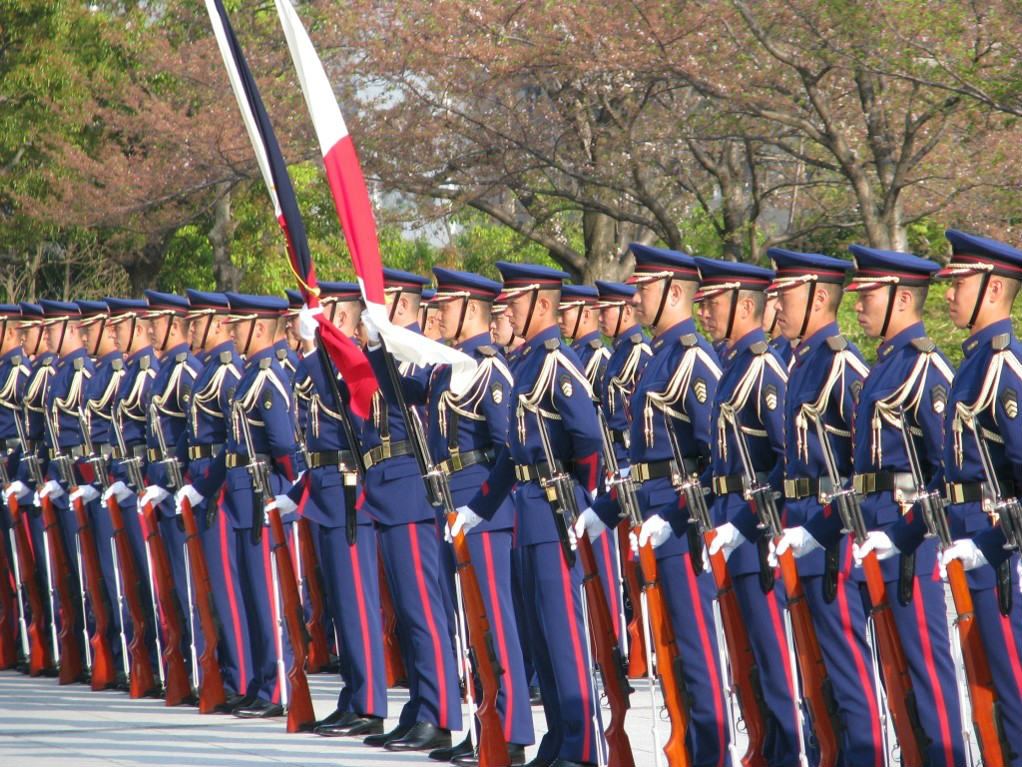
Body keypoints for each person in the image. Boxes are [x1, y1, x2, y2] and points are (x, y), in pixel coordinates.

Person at [815, 245, 966, 767]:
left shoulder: (925, 367)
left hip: (911, 536)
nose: (857, 305)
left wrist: (915, 530)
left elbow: (948, 468)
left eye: (869, 296)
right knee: (896, 672)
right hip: (874, 530)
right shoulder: (885, 365)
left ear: (902, 299)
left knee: (926, 668)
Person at [579, 244, 729, 766]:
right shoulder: (663, 355)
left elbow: (718, 461)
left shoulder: (693, 359)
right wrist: (608, 508)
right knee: (673, 660)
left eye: (645, 286)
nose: (635, 295)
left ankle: (712, 756)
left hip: (683, 532)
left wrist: (678, 518)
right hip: (653, 522)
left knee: (697, 657)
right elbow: (644, 463)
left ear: (673, 292)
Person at [451, 261, 603, 767]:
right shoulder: (525, 363)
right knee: (540, 635)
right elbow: (511, 454)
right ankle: (559, 739)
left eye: (515, 300)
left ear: (541, 303)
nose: (506, 308)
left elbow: (588, 436)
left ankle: (580, 747)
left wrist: (579, 493)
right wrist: (478, 509)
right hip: (528, 516)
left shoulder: (557, 362)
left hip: (554, 513)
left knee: (563, 636)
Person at [886, 230, 1022, 766]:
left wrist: (992, 543)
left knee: (1012, 700)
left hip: (999, 555)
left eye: (960, 282)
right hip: (971, 551)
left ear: (993, 290)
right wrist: (900, 534)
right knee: (986, 700)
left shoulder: (1004, 365)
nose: (948, 293)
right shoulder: (971, 364)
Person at [764, 249, 885, 765]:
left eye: (786, 294)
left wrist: (828, 528)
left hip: (831, 538)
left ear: (817, 296)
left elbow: (864, 463)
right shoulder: (800, 361)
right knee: (814, 670)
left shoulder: (842, 364)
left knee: (847, 668)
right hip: (799, 531)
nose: (777, 304)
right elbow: (791, 459)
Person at [177, 293, 303, 719]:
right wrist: (204, 488)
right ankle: (259, 684)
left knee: (266, 597)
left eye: (240, 324)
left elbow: (286, 446)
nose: (232, 332)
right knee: (251, 594)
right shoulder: (249, 376)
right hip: (240, 495)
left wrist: (288, 493)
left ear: (260, 328)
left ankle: (275, 689)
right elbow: (233, 447)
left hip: (261, 495)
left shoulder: (265, 378)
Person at [696, 258, 801, 767]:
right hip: (730, 520)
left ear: (744, 304)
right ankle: (772, 748)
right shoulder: (733, 363)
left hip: (757, 531)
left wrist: (748, 525)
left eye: (713, 303)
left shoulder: (763, 368)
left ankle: (790, 752)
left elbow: (789, 460)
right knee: (751, 660)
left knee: (776, 660)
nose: (705, 313)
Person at [358, 269, 463, 753]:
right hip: (388, 490)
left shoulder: (423, 355)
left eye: (382, 301)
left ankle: (440, 712)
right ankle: (421, 705)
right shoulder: (392, 351)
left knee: (424, 610)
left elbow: (405, 389)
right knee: (406, 611)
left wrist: (382, 344)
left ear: (405, 305)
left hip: (413, 493)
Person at [290, 282, 388, 739]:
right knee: (340, 603)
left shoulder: (352, 363)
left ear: (342, 320)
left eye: (323, 313)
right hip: (325, 489)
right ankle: (354, 695)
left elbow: (342, 406)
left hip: (350, 492)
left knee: (357, 602)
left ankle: (370, 702)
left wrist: (312, 348)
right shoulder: (327, 364)